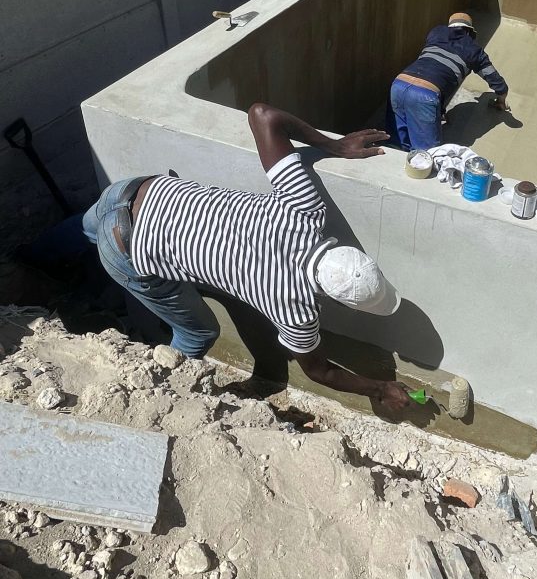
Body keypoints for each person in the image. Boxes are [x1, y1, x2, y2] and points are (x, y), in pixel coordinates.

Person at [81, 103, 411, 411]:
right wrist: (379, 389)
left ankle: (40, 261)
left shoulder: (305, 211)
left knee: (88, 228)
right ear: (338, 302)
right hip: (126, 247)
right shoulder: (293, 308)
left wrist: (336, 146)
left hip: (136, 191)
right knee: (200, 333)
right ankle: (162, 398)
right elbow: (320, 372)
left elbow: (262, 114)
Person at [387, 12, 510, 151]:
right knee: (427, 155)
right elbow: (498, 83)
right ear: (470, 32)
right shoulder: (474, 51)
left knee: (396, 145)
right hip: (426, 93)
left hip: (398, 84)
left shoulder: (436, 33)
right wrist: (501, 100)